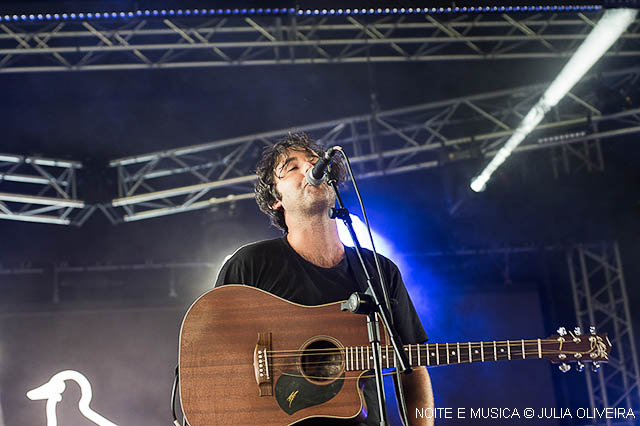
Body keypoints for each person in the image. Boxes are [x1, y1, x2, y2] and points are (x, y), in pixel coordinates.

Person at [215, 133, 434, 426]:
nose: (310, 169)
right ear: (275, 199)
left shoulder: (380, 271)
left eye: (315, 162)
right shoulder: (250, 266)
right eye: (292, 167)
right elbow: (209, 356)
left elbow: (412, 365)